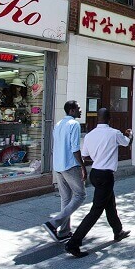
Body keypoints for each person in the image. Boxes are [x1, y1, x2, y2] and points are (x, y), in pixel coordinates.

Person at [64, 108, 132, 258]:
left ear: (98, 119)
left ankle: (118, 230)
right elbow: (127, 143)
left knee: (110, 203)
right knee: (96, 210)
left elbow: (85, 155)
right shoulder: (114, 133)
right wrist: (129, 134)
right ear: (109, 119)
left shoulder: (90, 135)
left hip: (95, 172)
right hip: (106, 174)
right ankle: (73, 243)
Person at [42, 100, 87, 242]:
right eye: (78, 108)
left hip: (58, 165)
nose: (81, 111)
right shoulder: (74, 124)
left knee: (66, 198)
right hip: (70, 165)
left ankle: (64, 231)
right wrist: (82, 166)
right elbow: (75, 149)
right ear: (72, 110)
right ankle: (54, 223)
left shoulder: (58, 124)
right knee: (80, 195)